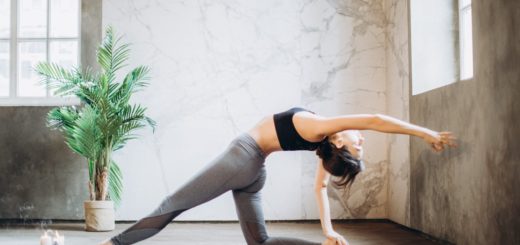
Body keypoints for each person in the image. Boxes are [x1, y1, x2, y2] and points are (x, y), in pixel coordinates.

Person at [101, 107, 456, 245]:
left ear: (340, 144)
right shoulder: (323, 142)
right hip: (254, 173)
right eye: (360, 143)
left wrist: (425, 133)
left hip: (243, 160)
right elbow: (320, 188)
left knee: (173, 204)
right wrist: (328, 232)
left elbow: (375, 120)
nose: (361, 138)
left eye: (358, 146)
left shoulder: (324, 131)